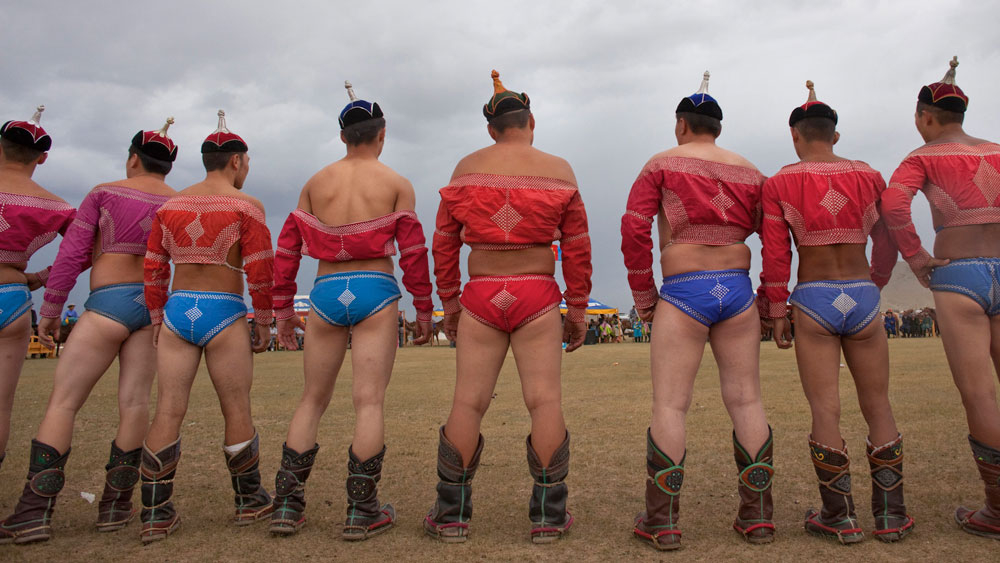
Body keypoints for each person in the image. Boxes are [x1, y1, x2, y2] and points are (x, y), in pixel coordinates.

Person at [425, 70, 591, 544]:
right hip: (536, 292)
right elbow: (577, 247)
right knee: (544, 401)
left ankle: (452, 515)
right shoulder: (559, 169)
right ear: (530, 120)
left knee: (467, 401)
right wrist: (577, 309)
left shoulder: (465, 168)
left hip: (482, 291)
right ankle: (548, 519)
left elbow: (443, 245)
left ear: (491, 128)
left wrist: (450, 305)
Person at [1, 119, 178, 544]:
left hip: (105, 304)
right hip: (152, 306)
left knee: (63, 404)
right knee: (135, 404)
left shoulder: (105, 192)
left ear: (133, 158)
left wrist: (51, 306)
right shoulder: (182, 202)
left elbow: (75, 251)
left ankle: (32, 513)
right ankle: (115, 507)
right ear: (168, 166)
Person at [269, 82, 433, 539]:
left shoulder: (314, 184)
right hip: (374, 289)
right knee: (368, 401)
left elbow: (286, 251)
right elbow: (414, 253)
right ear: (382, 134)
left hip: (324, 290)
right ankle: (362, 512)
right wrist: (424, 309)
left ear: (343, 137)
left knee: (311, 399)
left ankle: (286, 506)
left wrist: (282, 311)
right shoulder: (397, 183)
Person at [621, 72, 773, 549]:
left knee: (670, 404)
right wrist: (772, 297)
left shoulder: (661, 164)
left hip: (684, 289)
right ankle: (759, 518)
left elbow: (633, 228)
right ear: (718, 129)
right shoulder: (751, 172)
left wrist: (644, 296)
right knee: (746, 400)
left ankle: (663, 522)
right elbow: (775, 238)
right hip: (737, 288)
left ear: (681, 125)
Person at [759, 82, 913, 544]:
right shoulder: (870, 175)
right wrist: (877, 282)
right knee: (878, 403)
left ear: (794, 134)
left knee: (825, 407)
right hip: (862, 294)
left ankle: (839, 517)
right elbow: (888, 238)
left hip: (815, 297)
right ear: (836, 135)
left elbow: (775, 253)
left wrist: (776, 307)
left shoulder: (780, 182)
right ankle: (890, 517)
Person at [139, 111, 274, 543]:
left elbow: (154, 267)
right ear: (236, 162)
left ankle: (155, 515)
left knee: (168, 409)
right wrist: (266, 321)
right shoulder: (246, 205)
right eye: (246, 162)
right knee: (236, 409)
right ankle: (249, 502)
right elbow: (259, 269)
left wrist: (158, 317)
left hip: (180, 309)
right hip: (223, 309)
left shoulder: (170, 206)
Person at [881, 57, 1000, 540]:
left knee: (979, 393)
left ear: (925, 117)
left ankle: (996, 509)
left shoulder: (921, 157)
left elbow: (892, 202)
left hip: (961, 275)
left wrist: (914, 255)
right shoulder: (997, 151)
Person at [0, 106, 74, 536]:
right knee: (2, 404)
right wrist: (38, 278)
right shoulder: (52, 205)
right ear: (42, 157)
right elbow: (82, 246)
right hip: (11, 296)